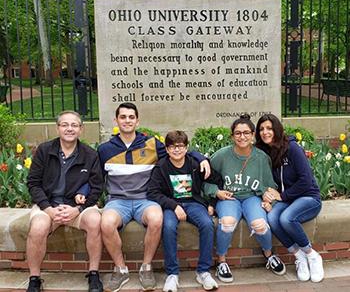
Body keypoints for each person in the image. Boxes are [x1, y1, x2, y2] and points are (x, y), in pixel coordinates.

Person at [98, 103, 210, 292]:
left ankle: (146, 267)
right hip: (118, 200)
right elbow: (96, 177)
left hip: (146, 199)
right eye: (123, 117)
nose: (127, 120)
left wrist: (201, 157)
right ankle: (121, 269)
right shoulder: (105, 149)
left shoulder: (150, 144)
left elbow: (176, 149)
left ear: (137, 120)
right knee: (106, 223)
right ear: (116, 120)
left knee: (157, 219)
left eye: (131, 117)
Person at [26, 111, 104, 292]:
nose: (69, 129)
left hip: (77, 208)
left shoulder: (90, 154)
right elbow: (33, 183)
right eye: (65, 125)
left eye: (74, 125)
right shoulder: (44, 151)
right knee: (37, 228)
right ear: (58, 128)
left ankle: (93, 274)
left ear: (81, 129)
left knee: (95, 221)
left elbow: (97, 187)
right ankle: (35, 278)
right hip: (48, 205)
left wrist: (79, 208)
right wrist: (48, 209)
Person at [203, 114, 286, 283]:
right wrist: (216, 192)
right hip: (229, 198)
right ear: (232, 136)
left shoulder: (261, 157)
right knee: (226, 223)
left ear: (253, 134)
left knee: (260, 225)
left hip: (251, 198)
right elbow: (203, 181)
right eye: (238, 133)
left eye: (247, 133)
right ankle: (221, 261)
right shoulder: (221, 156)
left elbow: (270, 185)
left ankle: (269, 255)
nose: (242, 137)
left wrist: (269, 198)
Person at [147, 130, 222, 292]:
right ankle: (172, 274)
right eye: (172, 147)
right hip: (171, 205)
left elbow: (217, 180)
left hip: (193, 203)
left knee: (207, 224)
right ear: (166, 149)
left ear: (186, 148)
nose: (176, 150)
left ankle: (203, 271)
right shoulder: (161, 167)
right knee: (167, 227)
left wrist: (212, 203)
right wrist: (174, 206)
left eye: (180, 146)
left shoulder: (195, 165)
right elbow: (153, 192)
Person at [255, 113, 324, 283]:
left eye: (269, 128)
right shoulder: (264, 152)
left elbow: (306, 181)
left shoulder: (292, 148)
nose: (265, 132)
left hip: (308, 197)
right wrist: (266, 195)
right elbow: (261, 178)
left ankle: (312, 255)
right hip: (285, 200)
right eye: (262, 129)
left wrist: (283, 195)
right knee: (271, 218)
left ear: (277, 129)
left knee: (286, 218)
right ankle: (298, 255)